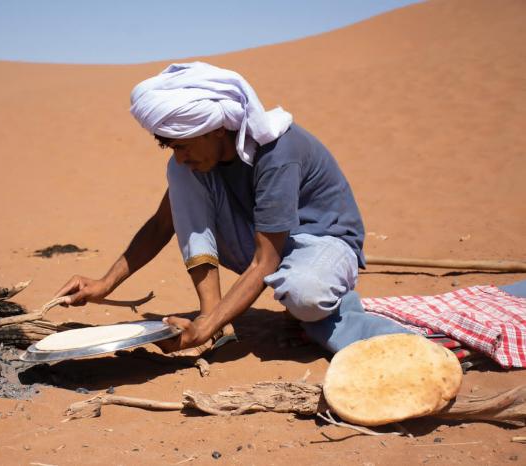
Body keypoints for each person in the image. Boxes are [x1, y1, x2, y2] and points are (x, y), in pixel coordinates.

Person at [55, 62, 410, 356]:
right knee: (180, 176)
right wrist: (104, 284)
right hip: (262, 240)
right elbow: (163, 223)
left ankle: (370, 329)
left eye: (184, 145)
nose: (180, 156)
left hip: (322, 243)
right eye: (172, 147)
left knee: (306, 297)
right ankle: (214, 315)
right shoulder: (194, 164)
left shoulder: (276, 153)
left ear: (216, 130)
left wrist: (199, 329)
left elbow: (264, 262)